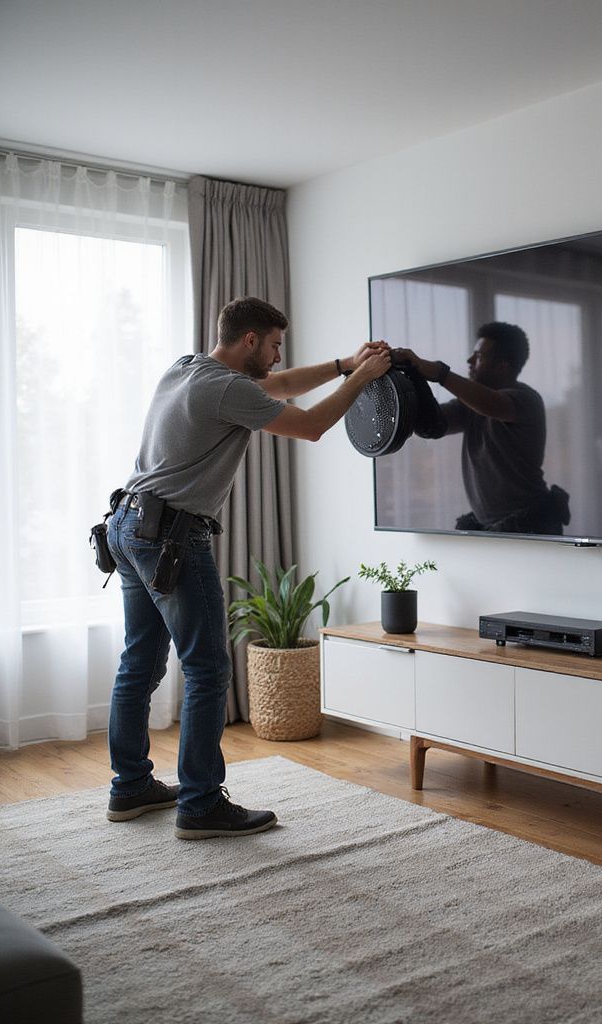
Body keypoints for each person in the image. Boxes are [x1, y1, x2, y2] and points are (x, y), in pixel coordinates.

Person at [104, 297, 390, 838]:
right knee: (208, 669)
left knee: (139, 660)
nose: (280, 357)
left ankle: (130, 787)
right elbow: (309, 426)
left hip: (127, 523)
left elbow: (277, 390)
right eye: (276, 344)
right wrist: (362, 378)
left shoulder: (187, 368)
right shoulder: (227, 388)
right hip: (170, 538)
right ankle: (201, 805)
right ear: (250, 340)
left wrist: (342, 366)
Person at [392, 322, 570, 535]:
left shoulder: (526, 400)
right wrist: (409, 376)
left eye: (479, 357)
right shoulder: (470, 405)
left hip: (532, 526)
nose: (469, 361)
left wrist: (438, 372)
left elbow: (491, 404)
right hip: (493, 527)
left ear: (503, 366)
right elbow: (431, 426)